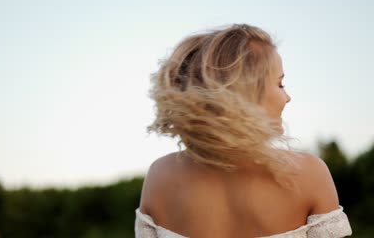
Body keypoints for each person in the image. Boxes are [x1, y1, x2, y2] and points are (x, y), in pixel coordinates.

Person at [135, 24, 352, 238]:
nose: (287, 97)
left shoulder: (160, 176)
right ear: (245, 93)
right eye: (280, 84)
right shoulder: (309, 174)